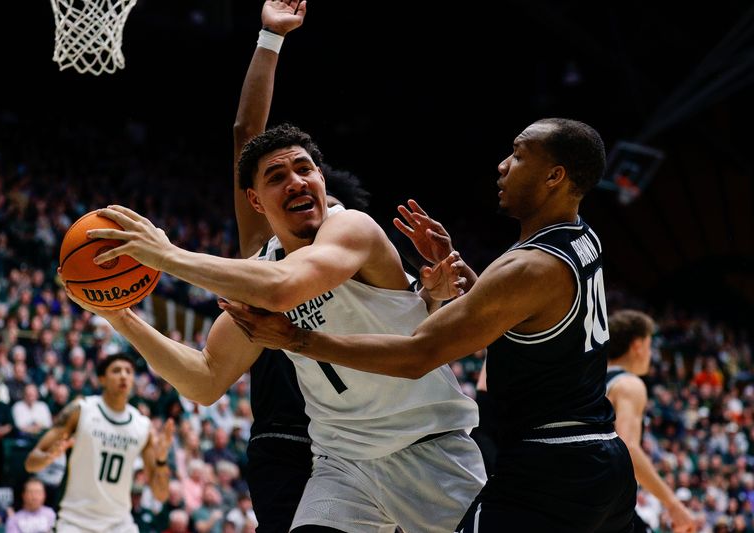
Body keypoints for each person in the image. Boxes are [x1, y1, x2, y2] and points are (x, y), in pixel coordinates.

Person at [221, 118, 638, 532]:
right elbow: (508, 312)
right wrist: (450, 280)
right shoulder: (581, 237)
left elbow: (417, 354)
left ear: (554, 176)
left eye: (518, 155)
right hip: (599, 451)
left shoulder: (527, 267)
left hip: (552, 462)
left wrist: (297, 339)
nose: (503, 165)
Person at [67, 127, 484, 532]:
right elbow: (205, 379)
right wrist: (120, 316)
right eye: (277, 177)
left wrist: (168, 256)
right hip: (344, 463)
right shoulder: (260, 274)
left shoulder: (352, 227)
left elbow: (286, 289)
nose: (296, 182)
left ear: (321, 178)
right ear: (255, 200)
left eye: (305, 170)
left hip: (427, 443)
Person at [229, 2, 464, 530]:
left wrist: (433, 297)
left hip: (380, 438)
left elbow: (415, 342)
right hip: (297, 438)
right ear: (263, 203)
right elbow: (247, 133)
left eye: (320, 198)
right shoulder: (264, 249)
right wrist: (270, 38)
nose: (301, 193)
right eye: (280, 183)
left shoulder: (359, 255)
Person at [24, 354, 175, 533]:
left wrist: (161, 460)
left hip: (119, 523)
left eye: (129, 371)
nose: (124, 376)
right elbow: (30, 463)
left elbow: (161, 494)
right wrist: (48, 457)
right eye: (116, 371)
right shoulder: (81, 410)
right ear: (102, 379)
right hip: (76, 521)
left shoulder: (142, 426)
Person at [607, 309, 697, 533]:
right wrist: (673, 504)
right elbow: (627, 448)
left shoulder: (591, 378)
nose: (651, 352)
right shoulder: (629, 384)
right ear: (637, 345)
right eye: (649, 344)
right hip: (604, 497)